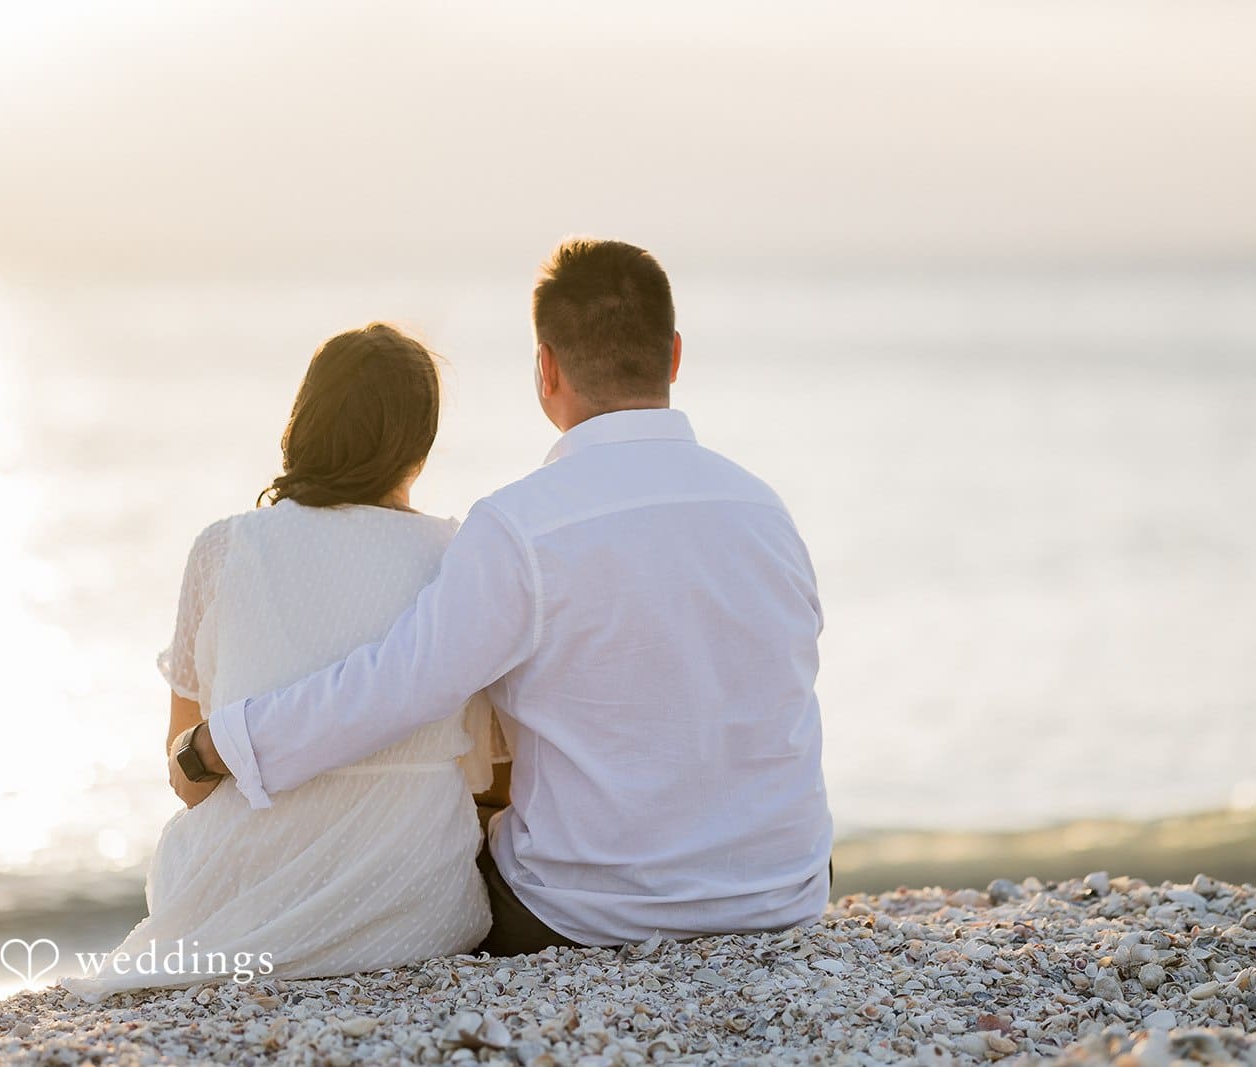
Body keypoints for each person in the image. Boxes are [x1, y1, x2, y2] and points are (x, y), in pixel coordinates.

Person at [177, 238, 834, 955]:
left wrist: (224, 741)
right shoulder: (766, 511)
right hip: (783, 892)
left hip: (588, 914)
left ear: (545, 368)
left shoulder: (521, 525)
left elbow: (394, 688)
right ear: (674, 355)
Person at [62, 323, 508, 1000]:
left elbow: (189, 779)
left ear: (305, 422)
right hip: (422, 907)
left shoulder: (226, 548)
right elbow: (488, 773)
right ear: (417, 445)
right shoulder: (456, 557)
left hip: (233, 905)